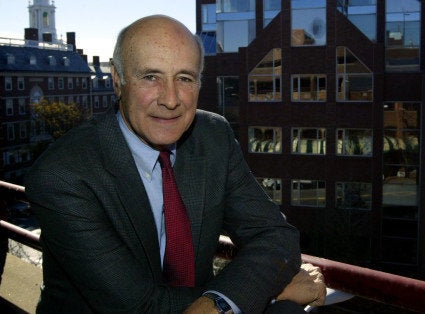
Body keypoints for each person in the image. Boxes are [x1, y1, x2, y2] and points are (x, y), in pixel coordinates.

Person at [26, 14, 326, 313]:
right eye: (150, 77)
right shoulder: (62, 174)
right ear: (118, 81)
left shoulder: (213, 136)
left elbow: (275, 235)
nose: (170, 100)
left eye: (184, 78)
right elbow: (139, 308)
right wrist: (261, 294)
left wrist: (238, 296)